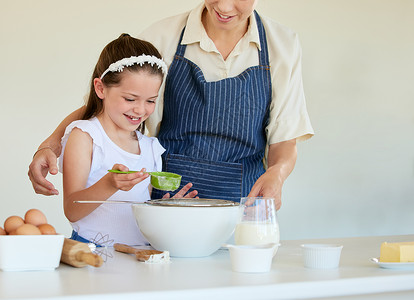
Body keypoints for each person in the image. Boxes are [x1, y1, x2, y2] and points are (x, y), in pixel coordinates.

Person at [28, 0, 314, 210]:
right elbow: (108, 100)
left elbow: (285, 138)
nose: (225, 6)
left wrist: (277, 174)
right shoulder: (163, 36)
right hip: (168, 206)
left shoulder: (283, 44)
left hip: (243, 206)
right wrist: (50, 145)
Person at [59, 34, 197, 246]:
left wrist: (165, 210)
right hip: (93, 253)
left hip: (137, 255)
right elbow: (72, 209)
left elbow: (138, 212)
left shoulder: (149, 147)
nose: (140, 109)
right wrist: (109, 184)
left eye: (151, 100)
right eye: (130, 99)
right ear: (100, 88)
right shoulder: (86, 137)